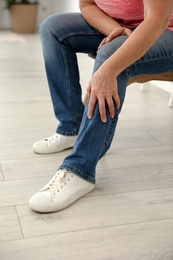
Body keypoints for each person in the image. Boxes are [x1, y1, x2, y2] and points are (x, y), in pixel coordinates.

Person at [29, 0, 173, 213]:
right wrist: (115, 29)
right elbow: (87, 5)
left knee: (111, 56)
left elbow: (157, 19)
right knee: (52, 28)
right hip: (125, 28)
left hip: (164, 31)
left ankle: (80, 168)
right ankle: (72, 127)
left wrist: (108, 71)